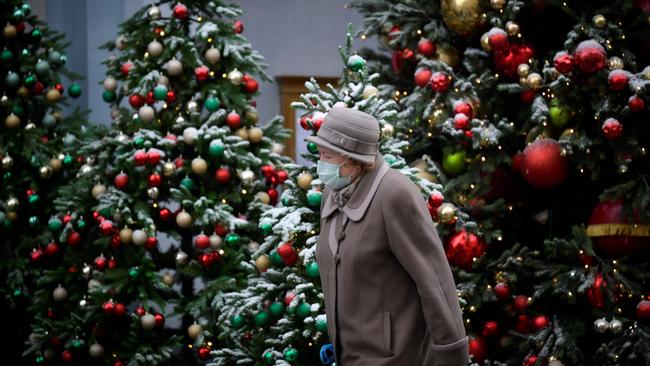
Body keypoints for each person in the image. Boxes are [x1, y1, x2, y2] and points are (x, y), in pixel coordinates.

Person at [308, 107, 469, 365]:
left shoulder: (395, 194)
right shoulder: (333, 190)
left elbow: (434, 281)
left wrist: (451, 355)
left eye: (327, 155)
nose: (320, 161)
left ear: (354, 159)